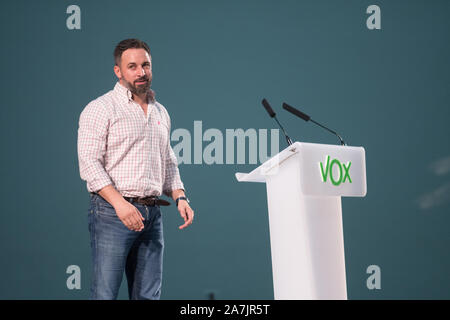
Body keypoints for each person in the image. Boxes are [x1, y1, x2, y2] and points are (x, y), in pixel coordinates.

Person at [77, 38, 194, 300]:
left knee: (148, 297)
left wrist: (180, 197)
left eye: (146, 65)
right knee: (105, 294)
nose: (141, 72)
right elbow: (89, 163)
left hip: (152, 214)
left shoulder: (160, 112)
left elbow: (167, 161)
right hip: (111, 213)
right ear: (118, 71)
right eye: (132, 66)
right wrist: (120, 205)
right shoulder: (100, 108)